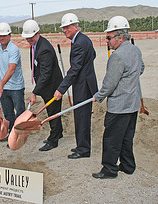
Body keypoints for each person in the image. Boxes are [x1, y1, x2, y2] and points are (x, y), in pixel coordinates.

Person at [92, 16, 145, 179]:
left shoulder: (117, 56)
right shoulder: (135, 50)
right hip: (133, 105)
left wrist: (98, 96)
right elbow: (140, 69)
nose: (107, 41)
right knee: (127, 137)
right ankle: (128, 166)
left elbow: (109, 83)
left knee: (111, 139)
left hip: (119, 106)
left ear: (120, 36)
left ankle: (109, 169)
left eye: (108, 37)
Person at [54, 13, 98, 159]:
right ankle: (81, 146)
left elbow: (75, 69)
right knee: (80, 116)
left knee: (82, 117)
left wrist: (61, 88)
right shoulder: (83, 39)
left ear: (75, 26)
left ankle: (84, 150)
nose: (65, 30)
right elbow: (93, 55)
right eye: (63, 28)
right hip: (84, 82)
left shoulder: (79, 42)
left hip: (83, 85)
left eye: (67, 27)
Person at [22, 19, 63, 151]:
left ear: (37, 33)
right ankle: (59, 133)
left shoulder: (44, 49)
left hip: (52, 86)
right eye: (27, 38)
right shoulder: (36, 45)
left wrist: (34, 92)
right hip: (46, 85)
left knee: (53, 112)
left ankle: (53, 140)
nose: (29, 40)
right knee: (53, 111)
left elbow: (45, 74)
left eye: (31, 37)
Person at [0, 22, 25, 142]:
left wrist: (1, 84)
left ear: (10, 35)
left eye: (4, 35)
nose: (2, 38)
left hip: (16, 87)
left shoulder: (14, 49)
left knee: (20, 112)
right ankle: (11, 134)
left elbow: (11, 69)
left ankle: (20, 135)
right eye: (0, 35)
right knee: (8, 113)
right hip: (4, 88)